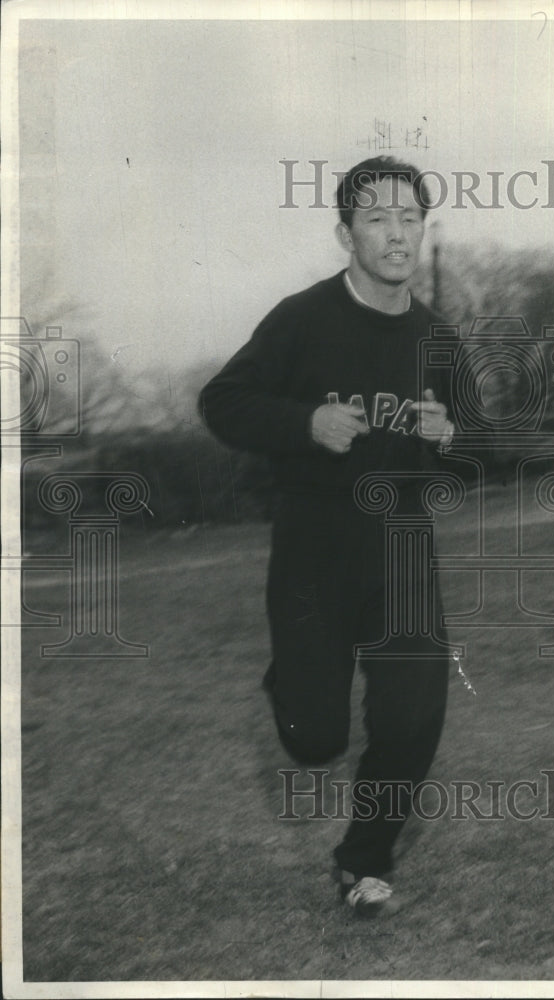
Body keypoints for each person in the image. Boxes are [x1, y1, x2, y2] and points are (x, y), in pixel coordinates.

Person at [199, 156, 456, 916]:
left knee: (413, 717)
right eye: (377, 218)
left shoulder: (437, 335)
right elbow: (223, 402)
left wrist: (451, 434)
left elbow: (477, 443)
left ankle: (363, 861)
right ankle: (295, 687)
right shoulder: (301, 318)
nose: (397, 233)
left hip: (403, 544)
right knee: (315, 739)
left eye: (410, 218)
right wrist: (303, 422)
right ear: (345, 231)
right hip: (315, 547)